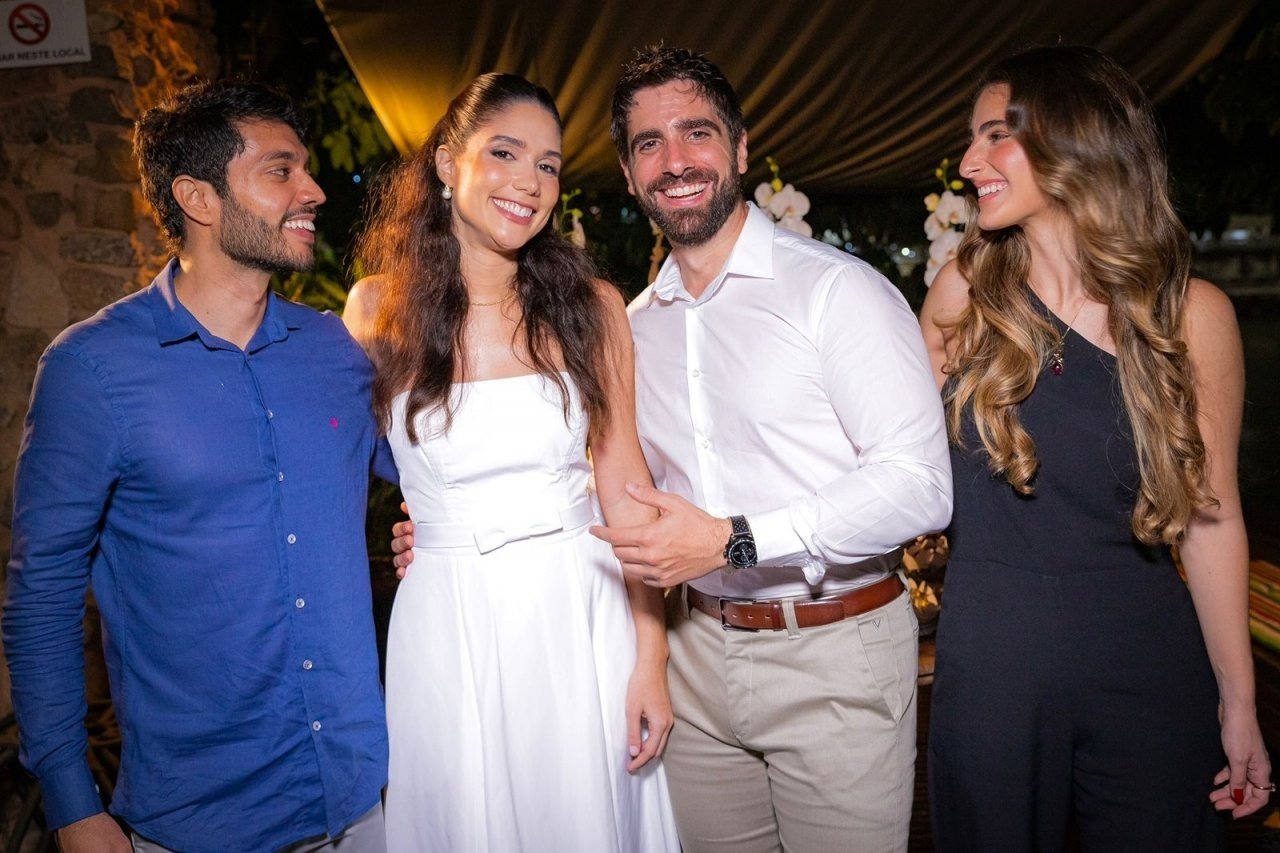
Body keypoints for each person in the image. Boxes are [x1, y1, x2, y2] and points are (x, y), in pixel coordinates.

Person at [2, 82, 389, 852]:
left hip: (362, 804)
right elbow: (41, 596)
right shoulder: (92, 368)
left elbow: (436, 478)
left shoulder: (334, 351)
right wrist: (74, 805)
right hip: (200, 822)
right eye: (280, 171)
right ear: (198, 198)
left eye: (305, 169)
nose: (313, 190)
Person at [921, 45, 1272, 850]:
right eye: (971, 139)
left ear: (1072, 138)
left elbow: (1213, 518)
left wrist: (1240, 703)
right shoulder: (961, 299)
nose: (969, 162)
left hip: (1146, 667)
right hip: (991, 668)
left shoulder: (1190, 315)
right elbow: (896, 472)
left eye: (994, 135)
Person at [342, 72, 679, 852]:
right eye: (505, 152)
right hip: (446, 622)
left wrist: (651, 656)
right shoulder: (374, 311)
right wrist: (419, 524)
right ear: (446, 162)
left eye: (548, 165)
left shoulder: (592, 307)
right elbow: (356, 469)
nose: (529, 181)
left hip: (580, 616)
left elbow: (627, 489)